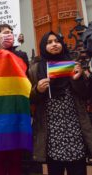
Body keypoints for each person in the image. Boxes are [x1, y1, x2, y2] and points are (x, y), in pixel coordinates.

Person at [28, 31, 92, 175]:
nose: (54, 44)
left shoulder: (73, 65)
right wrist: (37, 90)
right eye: (49, 42)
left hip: (74, 130)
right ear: (43, 47)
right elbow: (30, 99)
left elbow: (85, 94)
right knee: (55, 169)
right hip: (51, 132)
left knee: (78, 169)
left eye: (56, 41)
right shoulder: (36, 69)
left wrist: (79, 78)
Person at [0, 24, 29, 175]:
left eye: (11, 32)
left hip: (16, 110)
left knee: (16, 157)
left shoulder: (21, 56)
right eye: (6, 33)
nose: (10, 35)